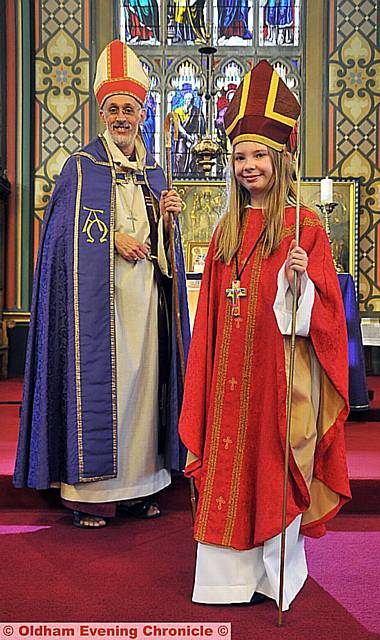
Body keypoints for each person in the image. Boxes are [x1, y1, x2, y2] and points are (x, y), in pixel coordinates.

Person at [179, 60, 351, 610]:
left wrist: (300, 284)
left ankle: (274, 574)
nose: (249, 165)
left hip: (278, 382)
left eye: (259, 156)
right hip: (226, 376)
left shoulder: (306, 227)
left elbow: (320, 322)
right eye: (240, 157)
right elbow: (211, 311)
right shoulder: (227, 228)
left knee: (271, 467)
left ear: (280, 159)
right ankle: (224, 580)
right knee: (227, 463)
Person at [14, 40, 190, 529]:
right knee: (104, 393)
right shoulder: (80, 166)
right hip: (98, 309)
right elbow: (59, 241)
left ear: (141, 113)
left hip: (145, 309)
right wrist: (111, 238)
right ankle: (89, 498)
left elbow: (167, 253)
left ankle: (140, 488)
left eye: (129, 108)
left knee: (143, 396)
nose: (121, 117)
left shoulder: (155, 173)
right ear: (101, 112)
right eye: (112, 108)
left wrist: (168, 222)